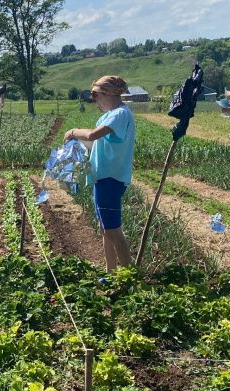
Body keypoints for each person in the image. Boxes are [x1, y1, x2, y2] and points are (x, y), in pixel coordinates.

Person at [63, 76, 135, 271]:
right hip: (102, 178)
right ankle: (110, 272)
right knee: (106, 229)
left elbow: (92, 135)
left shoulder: (119, 114)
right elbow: (96, 143)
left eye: (95, 95)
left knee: (114, 231)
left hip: (111, 179)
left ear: (108, 93)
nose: (94, 100)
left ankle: (130, 276)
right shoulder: (110, 115)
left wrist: (72, 132)